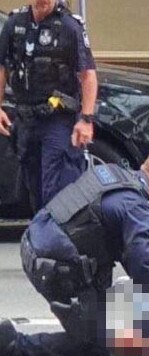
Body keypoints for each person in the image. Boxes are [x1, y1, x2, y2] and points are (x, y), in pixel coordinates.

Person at [0, 147, 149, 356]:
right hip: (53, 264)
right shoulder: (137, 208)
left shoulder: (110, 173)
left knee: (109, 276)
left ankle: (106, 328)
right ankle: (12, 343)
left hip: (35, 240)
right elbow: (142, 267)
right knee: (93, 349)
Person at [0, 0, 98, 211]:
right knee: (34, 189)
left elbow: (88, 75)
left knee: (57, 190)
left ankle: (57, 239)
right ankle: (43, 239)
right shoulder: (15, 24)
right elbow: (2, 68)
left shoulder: (69, 26)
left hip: (58, 119)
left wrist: (86, 119)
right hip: (26, 120)